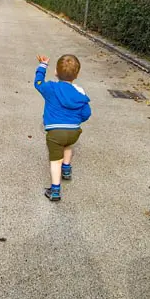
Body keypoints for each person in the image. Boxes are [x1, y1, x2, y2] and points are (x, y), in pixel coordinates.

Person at [34, 54, 91, 201]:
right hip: (73, 131)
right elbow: (86, 113)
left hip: (55, 132)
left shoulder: (50, 88)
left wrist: (42, 66)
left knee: (55, 160)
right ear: (77, 75)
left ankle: (55, 190)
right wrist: (77, 120)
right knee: (68, 145)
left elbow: (38, 83)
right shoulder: (80, 92)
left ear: (56, 72)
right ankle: (66, 169)